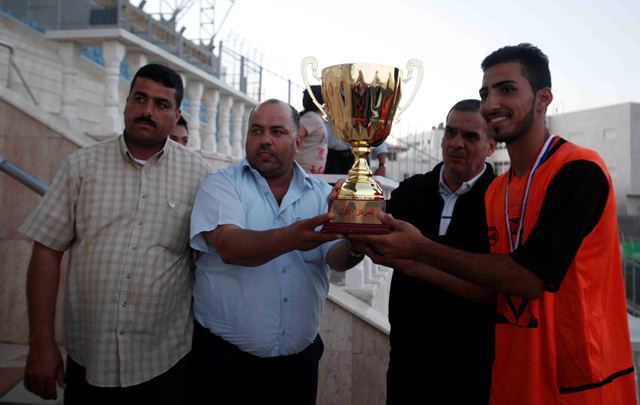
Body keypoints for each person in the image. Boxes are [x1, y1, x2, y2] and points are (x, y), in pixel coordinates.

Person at [352, 43, 637, 404]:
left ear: (543, 99)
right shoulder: (497, 191)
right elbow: (491, 289)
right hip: (509, 382)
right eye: (485, 93)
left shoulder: (579, 170)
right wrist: (386, 243)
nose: (491, 103)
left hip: (578, 387)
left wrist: (420, 248)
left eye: (507, 89)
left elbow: (529, 279)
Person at [19, 64, 210, 404]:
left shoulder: (198, 175)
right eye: (140, 98)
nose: (147, 111)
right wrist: (41, 343)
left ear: (176, 114)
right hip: (90, 358)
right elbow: (47, 249)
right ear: (126, 102)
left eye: (161, 105)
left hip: (165, 360)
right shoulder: (81, 166)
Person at [187, 98, 365, 405]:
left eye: (277, 131)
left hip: (297, 370)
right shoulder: (221, 185)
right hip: (224, 368)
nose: (265, 139)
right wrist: (292, 237)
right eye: (256, 130)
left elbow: (335, 257)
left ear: (298, 141)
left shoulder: (322, 195)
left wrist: (355, 243)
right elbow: (230, 247)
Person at [383, 99, 496, 404]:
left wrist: (416, 256)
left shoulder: (502, 203)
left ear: (491, 146)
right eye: (451, 133)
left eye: (470, 136)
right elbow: (370, 242)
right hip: (408, 365)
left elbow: (494, 289)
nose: (456, 143)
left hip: (472, 371)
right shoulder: (411, 191)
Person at [296, 85, 328, 173]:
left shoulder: (315, 118)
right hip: (304, 173)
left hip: (308, 174)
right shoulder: (312, 118)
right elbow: (293, 137)